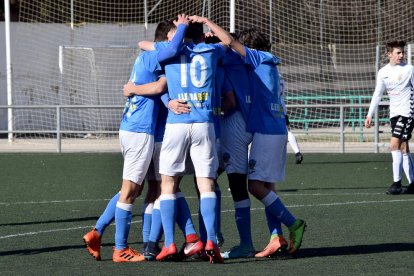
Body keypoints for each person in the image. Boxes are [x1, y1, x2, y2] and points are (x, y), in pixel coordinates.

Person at [193, 21, 307, 257]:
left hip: (248, 126)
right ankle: (274, 236)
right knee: (260, 185)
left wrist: (208, 28)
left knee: (241, 184)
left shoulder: (241, 58)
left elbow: (229, 45)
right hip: (265, 127)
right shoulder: (266, 63)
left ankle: (233, 239)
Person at [82, 17, 188, 262]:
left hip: (136, 129)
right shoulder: (158, 54)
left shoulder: (150, 56)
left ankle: (101, 233)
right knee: (136, 190)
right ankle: (121, 248)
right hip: (140, 131)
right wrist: (182, 26)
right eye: (175, 36)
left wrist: (134, 88)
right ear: (165, 39)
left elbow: (154, 74)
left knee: (138, 188)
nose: (179, 41)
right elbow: (159, 85)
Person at [154, 15, 227, 264]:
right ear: (201, 34)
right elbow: (227, 41)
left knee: (168, 183)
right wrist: (208, 24)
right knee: (206, 184)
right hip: (204, 123)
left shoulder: (168, 50)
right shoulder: (211, 50)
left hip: (177, 123)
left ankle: (171, 244)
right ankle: (211, 242)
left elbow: (155, 56)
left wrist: (169, 102)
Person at [365, 40, 414, 195]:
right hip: (394, 114)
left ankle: (396, 183)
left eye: (402, 52)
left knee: (394, 145)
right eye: (398, 52)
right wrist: (369, 114)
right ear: (389, 54)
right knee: (403, 148)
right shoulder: (383, 72)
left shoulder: (410, 69)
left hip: (407, 112)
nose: (401, 55)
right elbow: (377, 94)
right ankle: (413, 183)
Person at [279, 74, 304, 164]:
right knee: (286, 130)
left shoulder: (271, 74)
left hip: (273, 105)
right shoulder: (280, 75)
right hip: (281, 104)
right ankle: (297, 153)